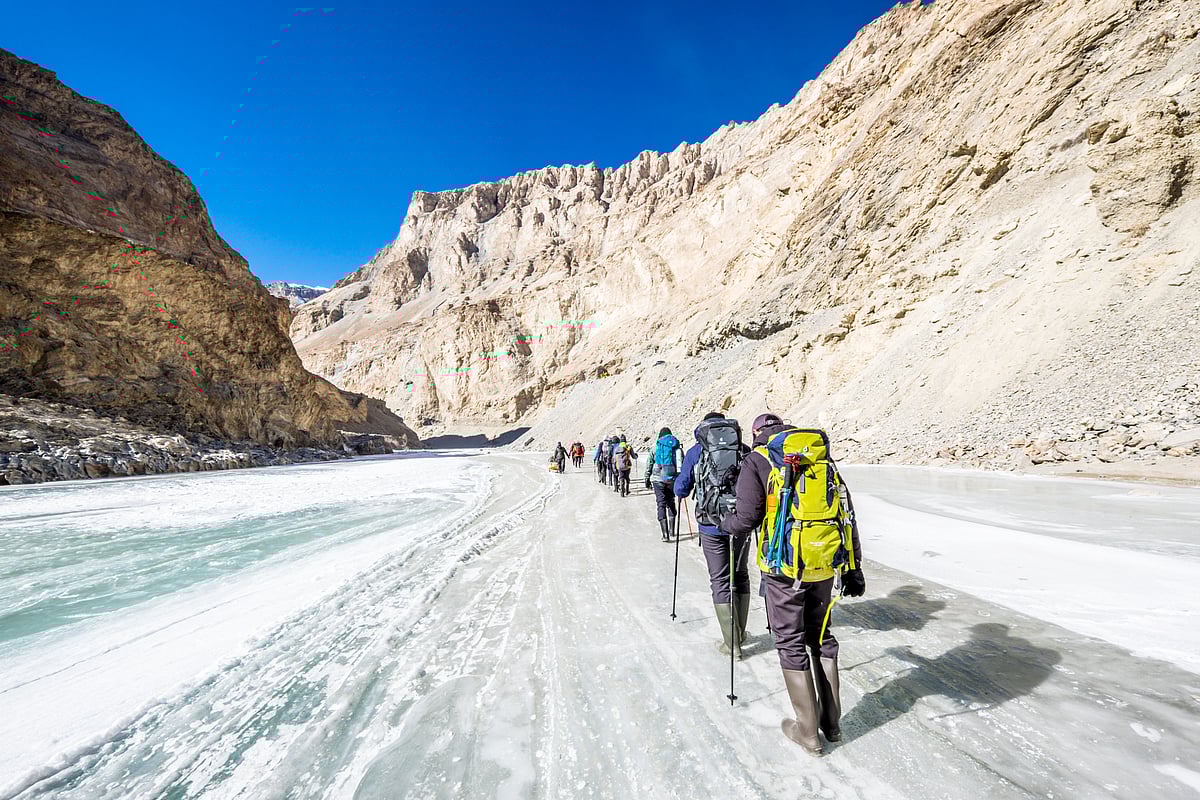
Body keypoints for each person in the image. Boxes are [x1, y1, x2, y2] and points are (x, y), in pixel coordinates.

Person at [720, 413, 865, 756]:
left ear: (756, 434)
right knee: (822, 636)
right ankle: (832, 725)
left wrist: (726, 523)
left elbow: (747, 518)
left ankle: (807, 732)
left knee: (790, 641)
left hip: (783, 568)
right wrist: (853, 567)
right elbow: (845, 511)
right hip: (824, 564)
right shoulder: (819, 455)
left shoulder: (759, 459)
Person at [673, 412, 751, 657]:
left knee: (720, 580)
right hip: (739, 522)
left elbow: (681, 488)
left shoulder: (697, 451)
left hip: (710, 525)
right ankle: (739, 632)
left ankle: (732, 645)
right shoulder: (743, 449)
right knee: (740, 575)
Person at [645, 427, 682, 541]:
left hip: (657, 480)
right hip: (672, 479)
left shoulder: (655, 448)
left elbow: (649, 464)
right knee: (671, 502)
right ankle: (672, 531)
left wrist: (647, 478)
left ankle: (665, 535)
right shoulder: (677, 448)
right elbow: (682, 464)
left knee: (660, 504)